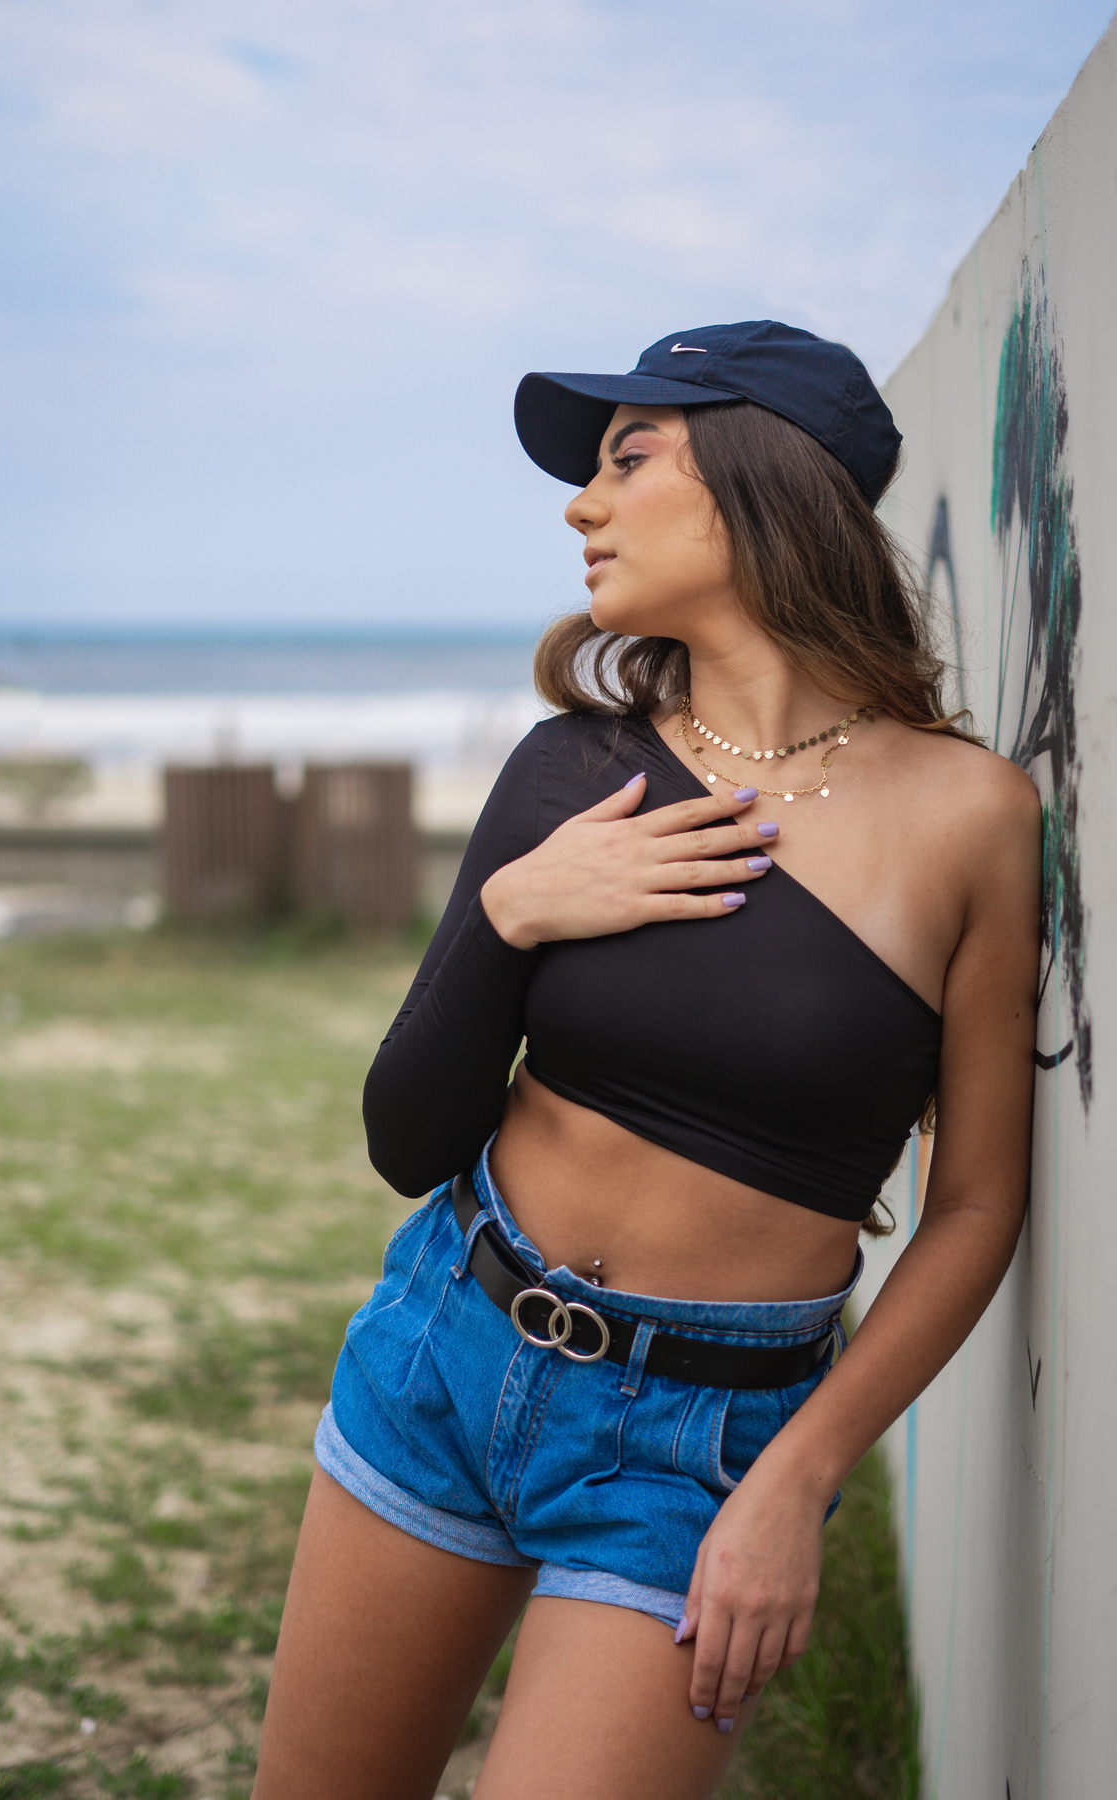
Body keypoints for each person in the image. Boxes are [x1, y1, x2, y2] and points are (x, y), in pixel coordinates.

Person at [253, 321, 1040, 1800]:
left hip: (700, 1445)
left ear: (762, 484)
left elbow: (981, 1203)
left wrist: (799, 1477)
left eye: (628, 460)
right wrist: (511, 914)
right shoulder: (569, 769)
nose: (581, 505)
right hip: (449, 1347)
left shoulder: (972, 818)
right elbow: (405, 1140)